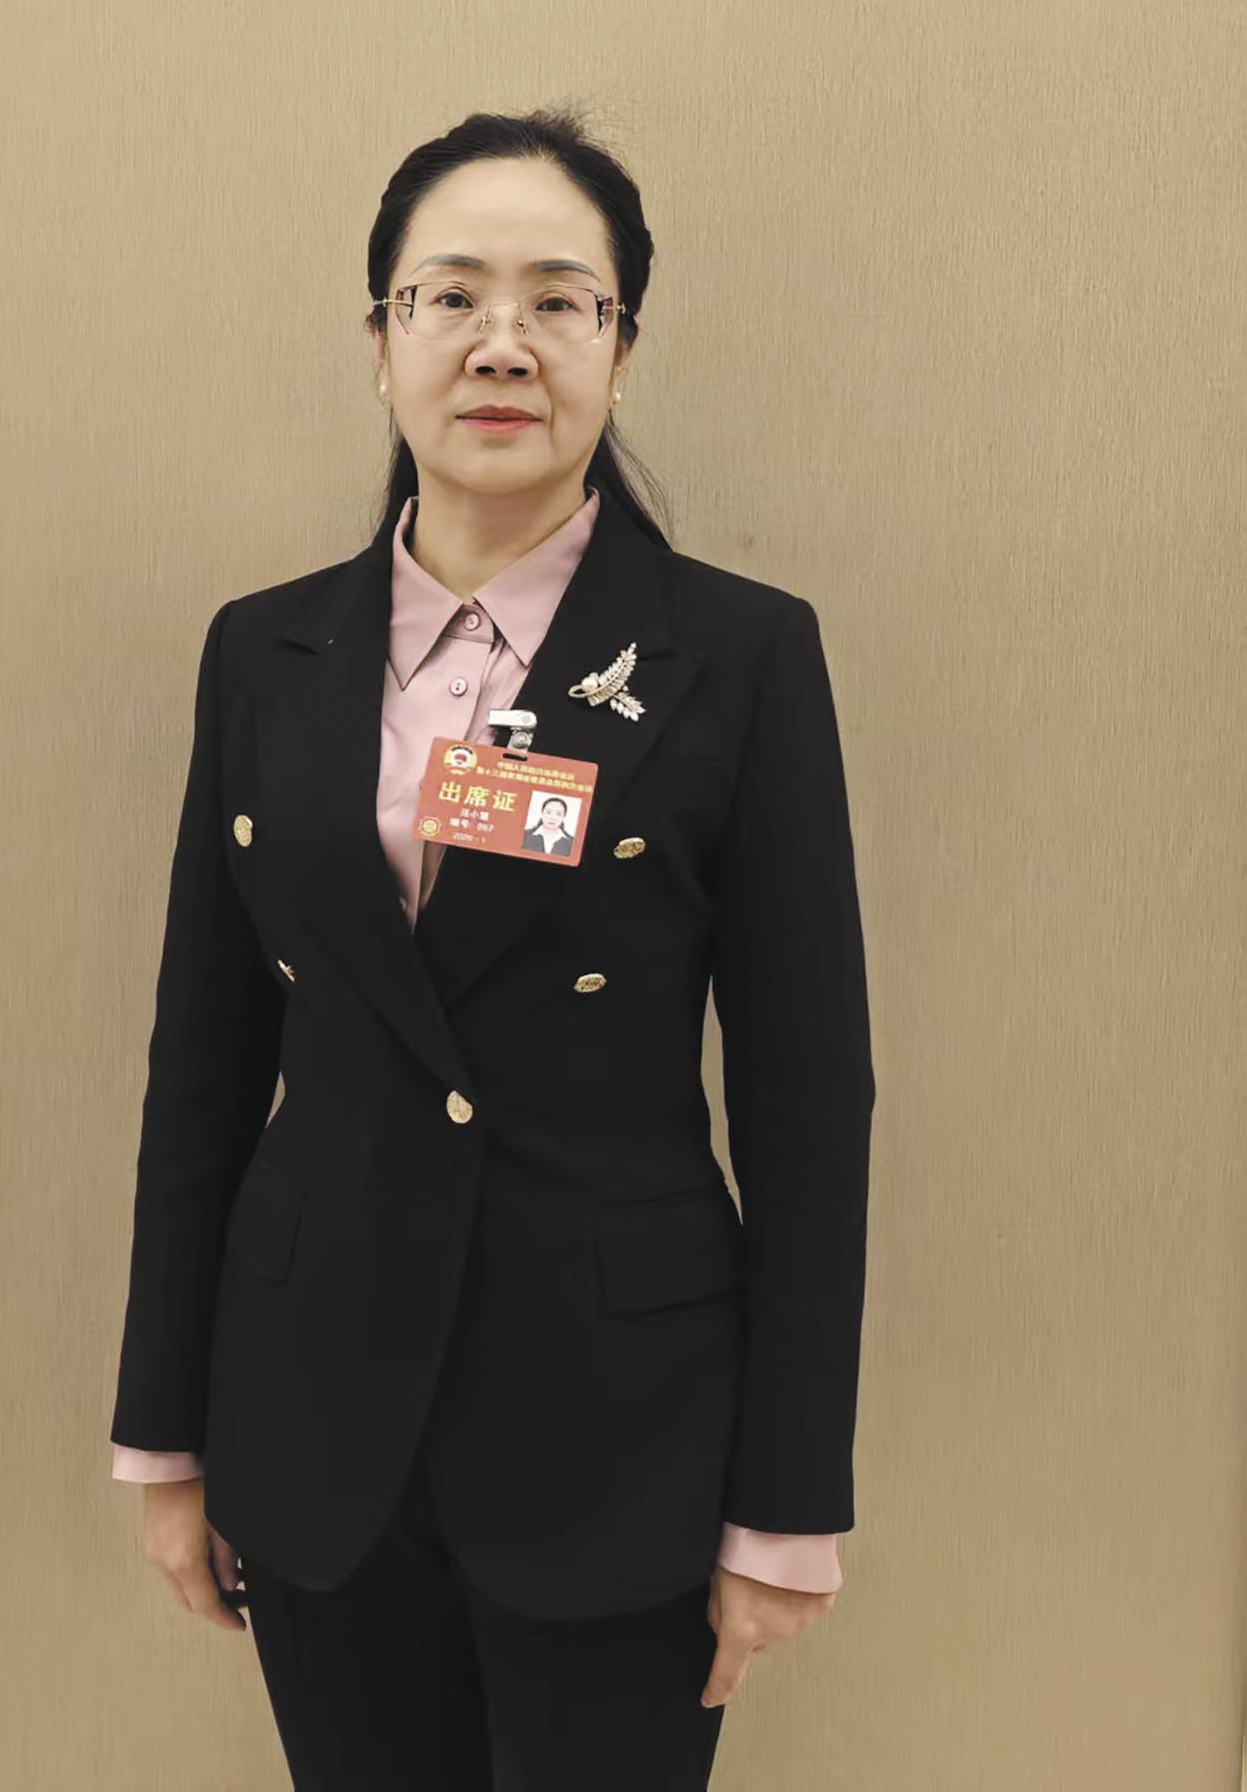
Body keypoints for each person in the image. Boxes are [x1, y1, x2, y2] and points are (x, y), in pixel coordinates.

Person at [108, 105, 876, 1790]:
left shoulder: (738, 655)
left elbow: (812, 1106)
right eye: (450, 295)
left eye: (559, 299)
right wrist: (164, 1432)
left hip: (621, 1430)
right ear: (382, 339)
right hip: (312, 1425)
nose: (502, 341)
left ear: (621, 344)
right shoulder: (265, 654)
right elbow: (204, 1062)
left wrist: (788, 1503)